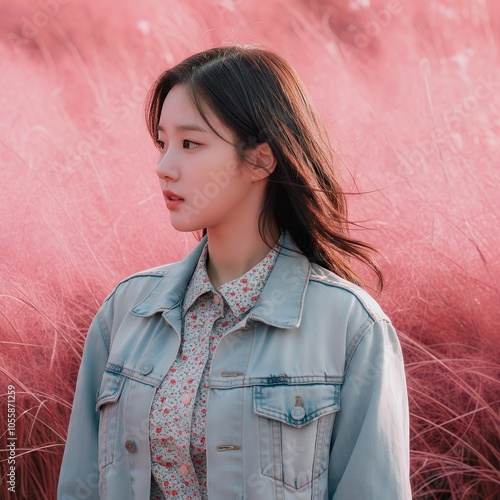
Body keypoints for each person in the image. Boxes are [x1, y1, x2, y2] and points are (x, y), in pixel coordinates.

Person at [58, 45, 411, 499]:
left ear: (261, 159)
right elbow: (79, 487)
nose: (164, 168)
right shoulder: (126, 311)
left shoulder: (351, 326)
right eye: (162, 143)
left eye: (190, 144)